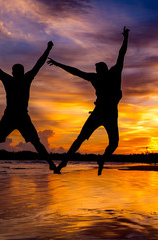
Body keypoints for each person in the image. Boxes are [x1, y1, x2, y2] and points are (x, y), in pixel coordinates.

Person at [47, 27, 129, 175]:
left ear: (103, 69)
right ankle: (62, 164)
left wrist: (126, 38)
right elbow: (76, 72)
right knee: (82, 139)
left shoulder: (112, 73)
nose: (97, 71)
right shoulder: (100, 76)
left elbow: (121, 54)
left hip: (107, 114)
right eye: (96, 69)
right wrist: (59, 65)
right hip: (101, 113)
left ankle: (101, 159)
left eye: (98, 68)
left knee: (112, 143)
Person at [0, 41, 58, 172]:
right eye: (18, 71)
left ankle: (51, 164)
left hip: (19, 116)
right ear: (15, 72)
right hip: (12, 116)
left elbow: (38, 64)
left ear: (15, 72)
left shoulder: (16, 79)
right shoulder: (19, 79)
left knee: (34, 142)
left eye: (19, 71)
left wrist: (48, 49)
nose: (18, 73)